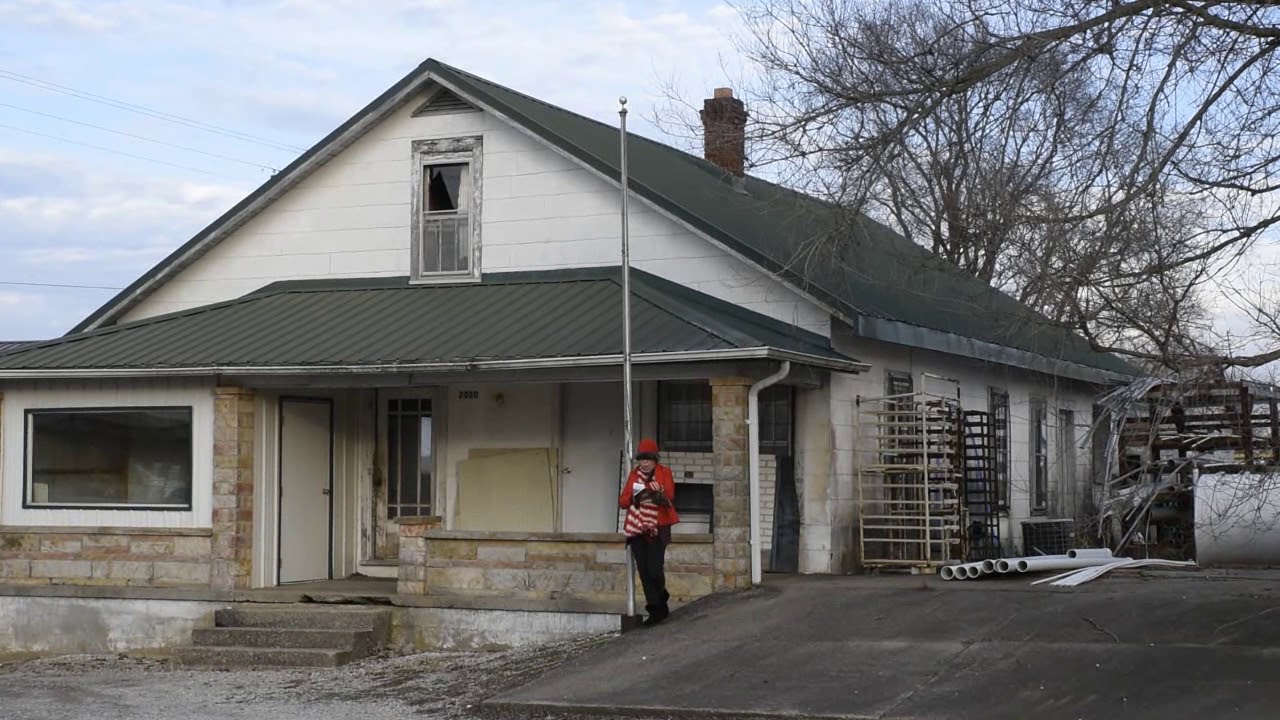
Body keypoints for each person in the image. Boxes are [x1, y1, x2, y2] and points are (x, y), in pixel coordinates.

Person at [618, 438, 680, 626]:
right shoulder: (634, 475)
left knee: (655, 568)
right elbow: (622, 501)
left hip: (657, 527)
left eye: (648, 459)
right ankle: (655, 610)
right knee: (644, 571)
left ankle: (661, 595)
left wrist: (654, 492)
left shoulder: (664, 473)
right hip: (637, 528)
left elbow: (669, 495)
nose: (644, 463)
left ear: (655, 459)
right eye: (641, 459)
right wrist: (636, 496)